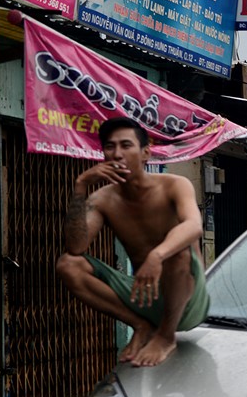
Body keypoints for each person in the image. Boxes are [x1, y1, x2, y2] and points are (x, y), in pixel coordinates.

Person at [56, 117, 210, 367]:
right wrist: (80, 186)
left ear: (145, 153)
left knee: (177, 251)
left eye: (126, 146)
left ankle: (165, 336)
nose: (117, 154)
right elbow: (76, 247)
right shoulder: (103, 199)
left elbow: (194, 226)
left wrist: (156, 255)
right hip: (144, 293)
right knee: (68, 264)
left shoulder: (175, 185)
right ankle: (141, 325)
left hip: (187, 300)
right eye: (109, 147)